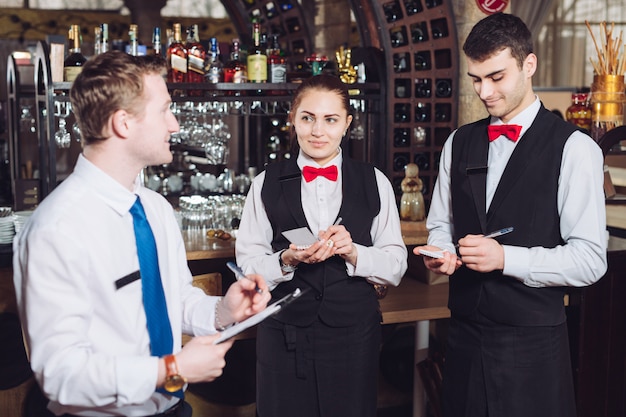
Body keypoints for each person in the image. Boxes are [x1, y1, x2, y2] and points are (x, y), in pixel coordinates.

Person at [12, 51, 270, 417]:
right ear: (123, 123)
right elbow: (61, 373)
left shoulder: (155, 209)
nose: (175, 124)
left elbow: (175, 299)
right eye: (164, 109)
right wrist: (172, 369)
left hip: (172, 408)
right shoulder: (56, 229)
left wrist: (222, 310)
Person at [414, 13, 607, 417]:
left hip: (533, 345)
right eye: (476, 79)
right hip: (463, 336)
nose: (484, 91)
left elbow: (590, 261)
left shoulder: (575, 148)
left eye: (496, 77)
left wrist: (506, 258)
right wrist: (442, 252)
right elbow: (440, 224)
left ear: (529, 65)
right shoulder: (459, 142)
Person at [235, 74, 408, 417]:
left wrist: (355, 251)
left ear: (347, 123)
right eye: (308, 118)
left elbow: (395, 266)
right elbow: (247, 265)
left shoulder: (375, 181)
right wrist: (286, 260)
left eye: (330, 120)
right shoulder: (264, 183)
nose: (318, 131)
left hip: (353, 336)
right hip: (284, 333)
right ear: (293, 120)